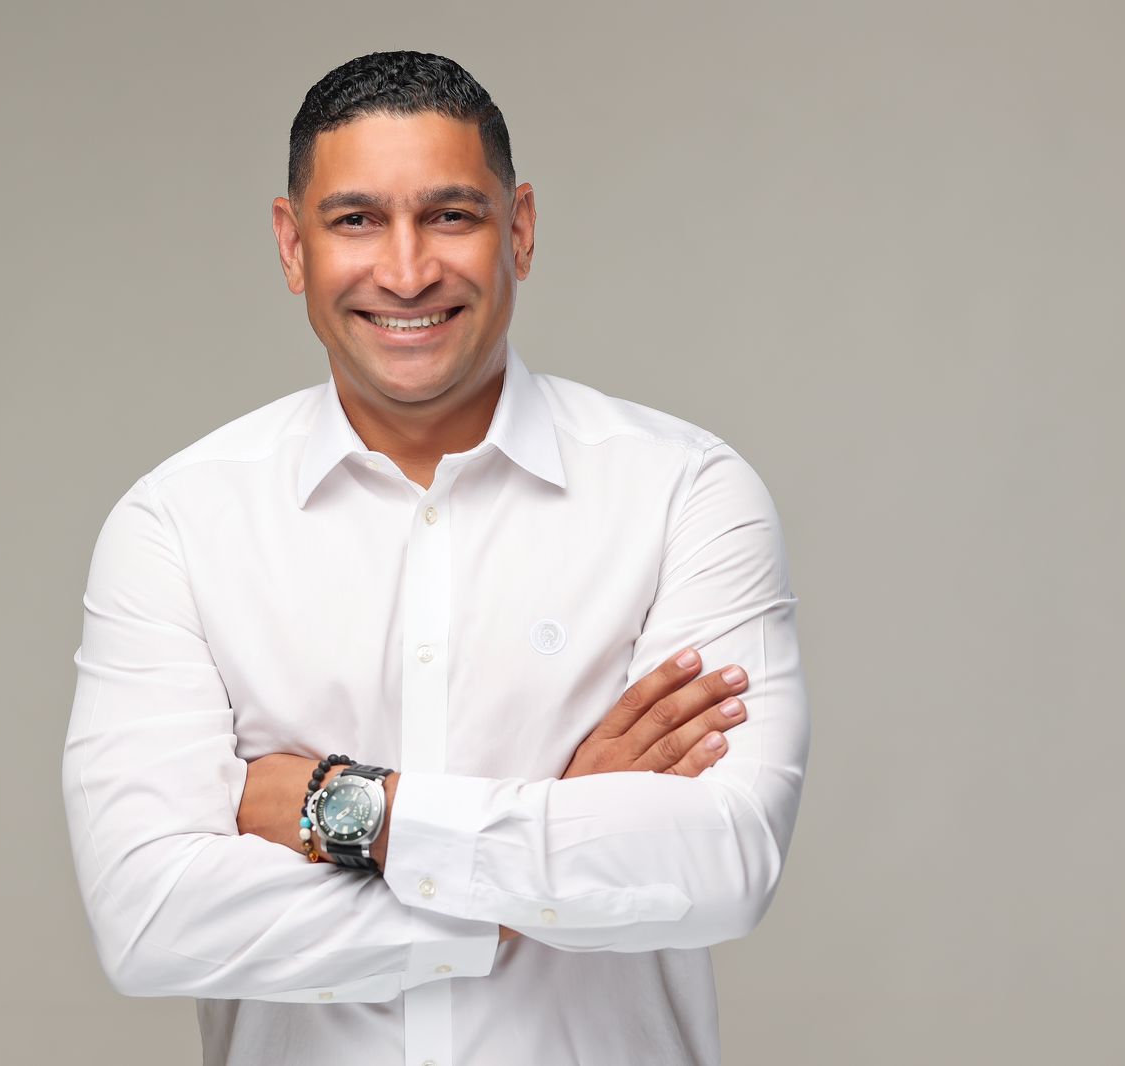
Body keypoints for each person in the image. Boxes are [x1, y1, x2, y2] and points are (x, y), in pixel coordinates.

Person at [62, 50, 811, 1066]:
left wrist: (341, 808)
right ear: (291, 245)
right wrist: (557, 839)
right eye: (356, 220)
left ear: (520, 230)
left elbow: (722, 864)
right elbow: (149, 919)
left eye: (450, 215)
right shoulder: (177, 526)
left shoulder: (685, 494)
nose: (407, 270)